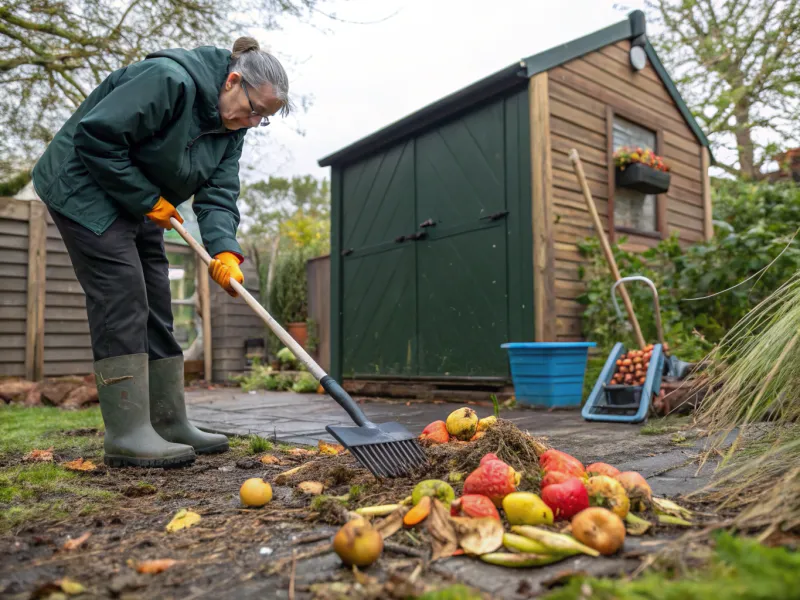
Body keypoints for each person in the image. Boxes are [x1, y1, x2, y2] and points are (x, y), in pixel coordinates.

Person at [31, 37, 291, 468]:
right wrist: (145, 198)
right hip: (83, 186)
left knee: (157, 294)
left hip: (140, 198)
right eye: (255, 109)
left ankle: (168, 421)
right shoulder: (168, 80)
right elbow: (95, 137)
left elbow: (219, 193)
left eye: (263, 118)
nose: (253, 121)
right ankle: (127, 433)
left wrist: (225, 250)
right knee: (122, 292)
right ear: (233, 80)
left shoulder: (232, 128)